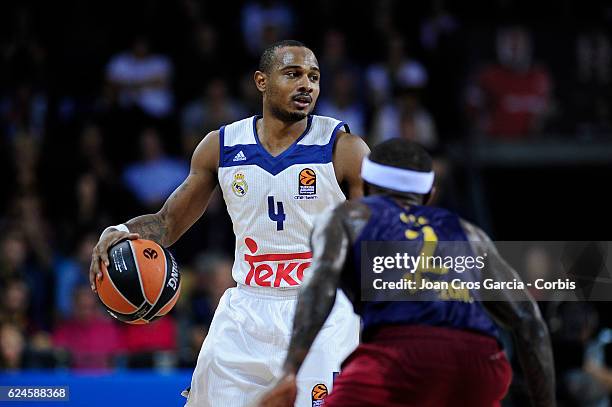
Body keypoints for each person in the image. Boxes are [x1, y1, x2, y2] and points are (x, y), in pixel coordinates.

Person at [90, 40, 369, 406]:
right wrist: (122, 232)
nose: (307, 85)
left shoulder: (344, 148)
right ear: (261, 81)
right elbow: (168, 223)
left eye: (314, 77)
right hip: (246, 310)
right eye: (293, 74)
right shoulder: (220, 146)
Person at [259, 138, 555, 407]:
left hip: (400, 355)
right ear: (429, 194)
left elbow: (319, 284)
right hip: (480, 361)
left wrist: (290, 370)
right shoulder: (471, 234)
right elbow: (529, 320)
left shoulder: (350, 215)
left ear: (366, 184)